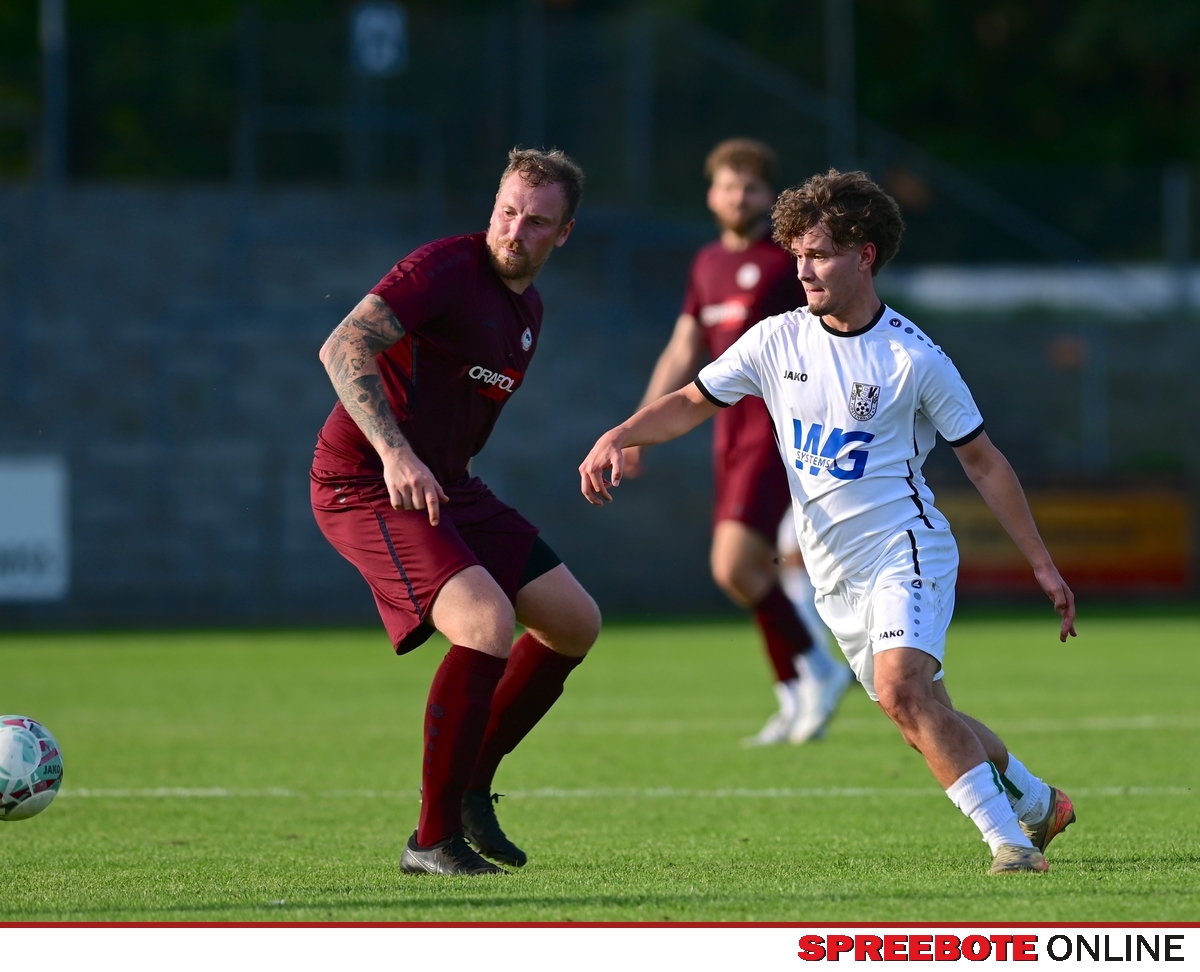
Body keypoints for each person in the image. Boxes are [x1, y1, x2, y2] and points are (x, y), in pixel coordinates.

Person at [579, 169, 1078, 875]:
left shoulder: (913, 358)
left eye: (818, 255)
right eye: (797, 255)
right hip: (833, 572)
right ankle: (1038, 801)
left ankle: (1012, 846)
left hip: (905, 549)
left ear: (864, 255)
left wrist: (1042, 564)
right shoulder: (775, 340)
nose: (802, 270)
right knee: (922, 715)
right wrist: (620, 434)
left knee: (903, 691)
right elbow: (691, 401)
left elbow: (984, 463)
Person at [312, 148, 600, 877]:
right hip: (364, 480)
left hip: (446, 485)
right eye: (507, 212)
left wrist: (432, 466)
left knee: (573, 621)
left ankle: (470, 789)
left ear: (564, 233)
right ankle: (431, 840)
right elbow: (343, 343)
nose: (515, 231)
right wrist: (393, 452)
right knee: (483, 623)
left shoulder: (529, 310)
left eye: (537, 222)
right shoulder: (444, 267)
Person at [624, 138, 849, 746]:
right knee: (743, 573)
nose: (738, 197)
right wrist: (639, 428)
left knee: (733, 565)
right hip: (727, 430)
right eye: (728, 185)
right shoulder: (705, 264)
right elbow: (683, 348)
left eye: (750, 187)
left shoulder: (787, 264)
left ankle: (821, 668)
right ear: (711, 195)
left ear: (768, 196)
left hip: (777, 431)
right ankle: (794, 691)